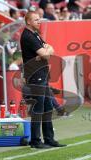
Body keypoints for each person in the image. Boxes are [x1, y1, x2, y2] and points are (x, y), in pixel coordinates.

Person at [20, 11, 66, 148]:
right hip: (35, 76)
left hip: (43, 74)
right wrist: (45, 53)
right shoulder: (28, 36)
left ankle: (49, 139)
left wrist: (47, 51)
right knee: (38, 109)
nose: (39, 22)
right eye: (36, 20)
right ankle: (35, 140)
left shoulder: (35, 35)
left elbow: (51, 50)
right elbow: (46, 55)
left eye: (39, 19)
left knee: (47, 107)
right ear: (28, 21)